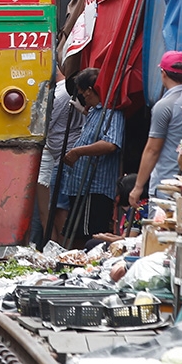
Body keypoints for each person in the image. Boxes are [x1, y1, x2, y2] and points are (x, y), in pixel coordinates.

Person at [58, 68, 125, 244]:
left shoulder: (111, 112)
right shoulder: (95, 111)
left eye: (82, 92)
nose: (82, 96)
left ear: (89, 90)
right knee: (76, 233)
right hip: (81, 186)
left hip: (94, 187)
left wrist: (77, 152)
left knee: (88, 237)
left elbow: (111, 144)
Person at [130, 51, 182, 207]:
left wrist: (138, 187)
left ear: (163, 73)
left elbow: (152, 150)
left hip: (167, 184)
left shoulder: (164, 106)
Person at [34, 69, 84, 246]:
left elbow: (42, 126)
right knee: (52, 205)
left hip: (62, 155)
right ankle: (53, 243)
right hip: (56, 152)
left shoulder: (60, 93)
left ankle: (57, 244)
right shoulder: (61, 91)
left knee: (55, 206)